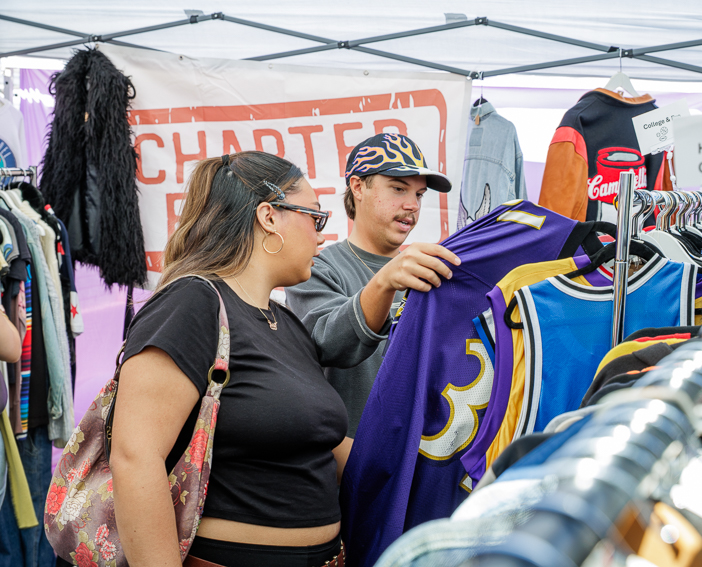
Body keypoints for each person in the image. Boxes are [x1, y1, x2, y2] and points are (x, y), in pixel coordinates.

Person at [110, 151, 349, 567]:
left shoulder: (285, 323)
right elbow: (135, 458)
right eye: (315, 217)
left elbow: (320, 442)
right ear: (269, 216)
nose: (321, 236)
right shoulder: (192, 302)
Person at [287, 133, 461, 438]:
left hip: (423, 452)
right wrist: (384, 282)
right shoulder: (315, 268)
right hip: (347, 460)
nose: (412, 205)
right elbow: (326, 344)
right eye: (398, 188)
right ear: (358, 187)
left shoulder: (432, 271)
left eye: (419, 195)